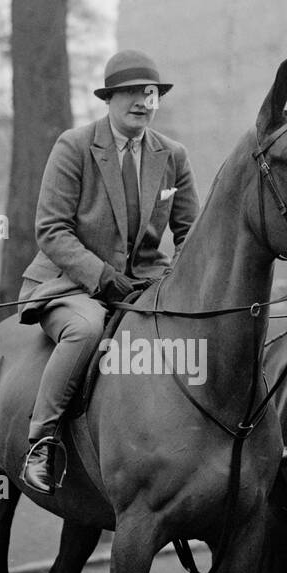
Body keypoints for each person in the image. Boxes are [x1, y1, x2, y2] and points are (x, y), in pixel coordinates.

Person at [17, 49, 200, 493]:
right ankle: (41, 443)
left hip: (143, 286)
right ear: (109, 99)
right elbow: (51, 229)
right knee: (86, 329)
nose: (142, 101)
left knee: (203, 329)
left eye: (150, 93)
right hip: (70, 285)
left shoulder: (172, 155)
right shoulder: (74, 146)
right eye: (132, 93)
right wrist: (101, 276)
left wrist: (175, 279)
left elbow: (191, 231)